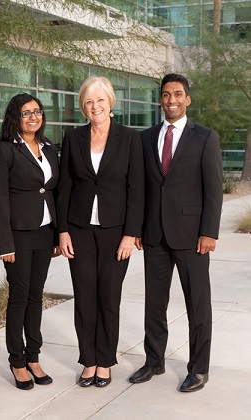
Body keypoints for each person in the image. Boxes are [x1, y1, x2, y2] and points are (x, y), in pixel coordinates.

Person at [129, 73, 223, 392]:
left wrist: (209, 231)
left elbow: (214, 189)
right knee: (154, 304)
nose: (172, 100)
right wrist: (139, 228)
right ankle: (154, 361)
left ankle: (198, 368)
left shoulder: (205, 137)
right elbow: (141, 188)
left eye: (178, 94)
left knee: (198, 304)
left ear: (188, 99)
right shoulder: (145, 138)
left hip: (192, 235)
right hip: (154, 234)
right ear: (161, 99)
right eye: (167, 95)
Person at [56, 76, 144, 387]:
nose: (96, 106)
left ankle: (105, 360)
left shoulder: (130, 139)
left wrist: (130, 234)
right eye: (90, 102)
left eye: (101, 100)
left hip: (115, 230)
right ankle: (88, 360)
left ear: (111, 103)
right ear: (83, 107)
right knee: (84, 296)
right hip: (79, 229)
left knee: (108, 295)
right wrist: (62, 232)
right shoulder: (73, 138)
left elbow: (137, 189)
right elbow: (64, 186)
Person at [0, 93, 60, 390]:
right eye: (26, 113)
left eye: (37, 111)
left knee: (36, 296)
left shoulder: (49, 148)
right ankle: (16, 360)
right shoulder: (4, 151)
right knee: (19, 298)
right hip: (18, 235)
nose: (33, 117)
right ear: (15, 117)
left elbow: (53, 192)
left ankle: (34, 356)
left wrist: (57, 235)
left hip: (45, 233)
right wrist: (5, 244)